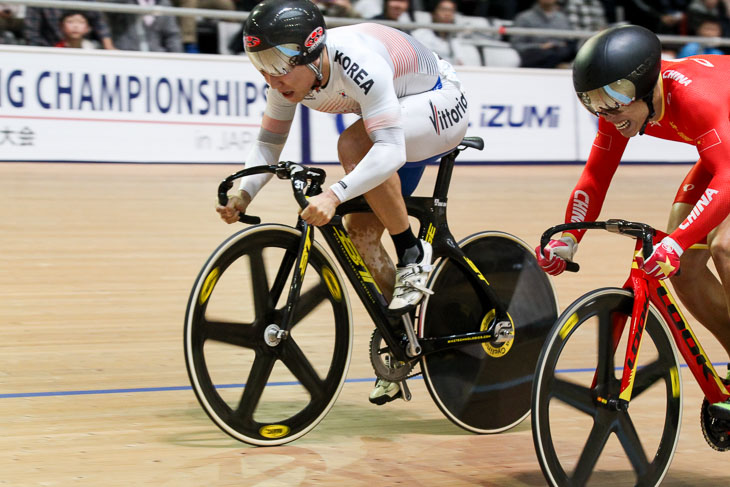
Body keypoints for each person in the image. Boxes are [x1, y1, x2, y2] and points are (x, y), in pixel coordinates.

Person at [217, 0, 469, 405]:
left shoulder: (357, 62)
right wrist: (244, 193)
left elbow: (387, 147)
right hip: (398, 114)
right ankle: (404, 339)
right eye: (260, 62)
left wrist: (335, 195)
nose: (271, 75)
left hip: (439, 100)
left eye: (278, 63)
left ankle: (412, 252)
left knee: (353, 143)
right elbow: (268, 143)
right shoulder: (286, 80)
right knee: (362, 237)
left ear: (312, 52)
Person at [535, 24, 730, 420]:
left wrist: (676, 241)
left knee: (724, 245)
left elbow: (728, 177)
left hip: (725, 154)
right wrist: (568, 239)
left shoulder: (695, 100)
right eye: (591, 101)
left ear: (645, 86)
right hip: (721, 152)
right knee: (685, 266)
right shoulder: (619, 107)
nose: (606, 112)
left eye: (614, 100)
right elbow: (594, 177)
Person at [411, 0, 483, 65]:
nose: (447, 14)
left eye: (451, 10)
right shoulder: (419, 35)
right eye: (443, 10)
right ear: (433, 13)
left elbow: (461, 62)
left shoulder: (457, 38)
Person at [510, 0, 576, 68]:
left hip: (560, 54)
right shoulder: (523, 17)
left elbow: (569, 42)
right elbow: (517, 45)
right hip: (534, 57)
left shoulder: (563, 18)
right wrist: (540, 46)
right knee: (547, 54)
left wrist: (558, 45)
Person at [23, 2, 115, 49]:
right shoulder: (37, 3)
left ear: (87, 28)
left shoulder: (90, 48)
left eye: (80, 22)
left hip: (82, 49)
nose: (75, 26)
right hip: (49, 50)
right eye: (70, 22)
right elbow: (32, 35)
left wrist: (109, 47)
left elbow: (99, 22)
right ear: (61, 27)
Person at [106, 0, 183, 52]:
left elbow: (172, 36)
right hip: (126, 55)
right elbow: (105, 9)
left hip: (156, 58)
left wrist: (177, 59)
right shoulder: (124, 2)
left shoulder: (164, 3)